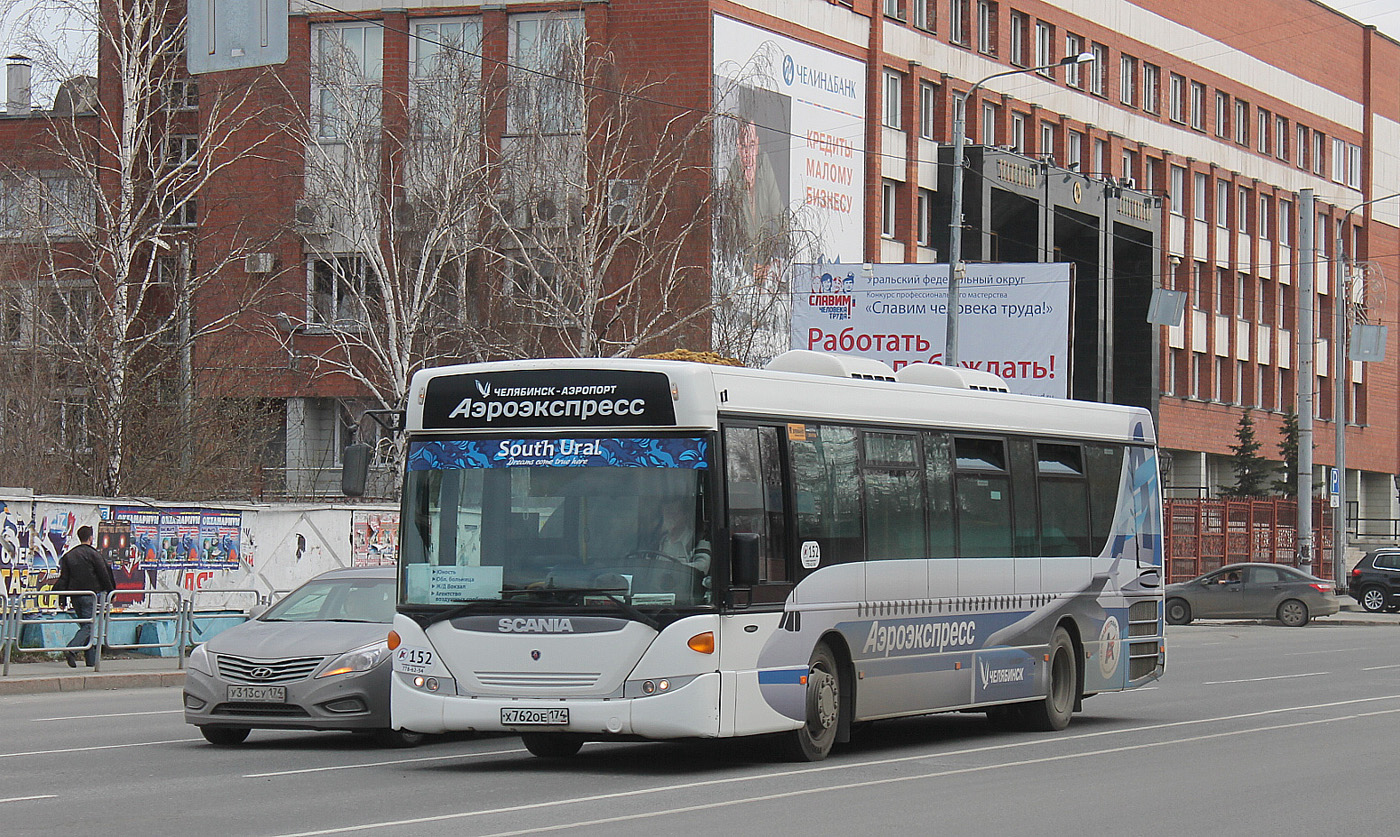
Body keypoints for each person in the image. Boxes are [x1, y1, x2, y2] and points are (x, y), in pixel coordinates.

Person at [50, 526, 116, 668]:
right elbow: (104, 574)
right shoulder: (94, 555)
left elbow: (64, 579)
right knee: (89, 626)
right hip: (89, 596)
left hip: (74, 596)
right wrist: (112, 592)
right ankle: (72, 649)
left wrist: (63, 599)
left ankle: (91, 661)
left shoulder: (70, 555)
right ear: (91, 538)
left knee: (86, 626)